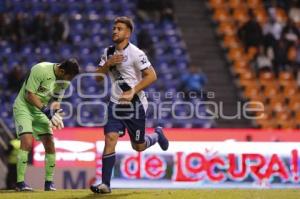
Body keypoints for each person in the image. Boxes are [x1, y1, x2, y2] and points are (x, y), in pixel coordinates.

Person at [90, 16, 169, 194]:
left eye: (119, 28)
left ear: (128, 33)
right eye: (114, 28)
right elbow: (96, 78)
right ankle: (105, 185)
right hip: (115, 104)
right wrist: (107, 65)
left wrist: (133, 90)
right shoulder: (108, 52)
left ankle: (157, 135)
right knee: (110, 139)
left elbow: (152, 75)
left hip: (135, 106)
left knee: (138, 147)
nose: (114, 31)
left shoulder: (136, 53)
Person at [13, 59, 80, 191]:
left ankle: (49, 183)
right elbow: (29, 95)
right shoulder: (40, 69)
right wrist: (47, 112)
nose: (69, 81)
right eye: (69, 77)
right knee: (26, 142)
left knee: (50, 144)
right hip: (24, 108)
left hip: (40, 111)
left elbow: (55, 100)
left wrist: (56, 114)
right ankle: (20, 183)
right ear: (61, 71)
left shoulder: (64, 81)